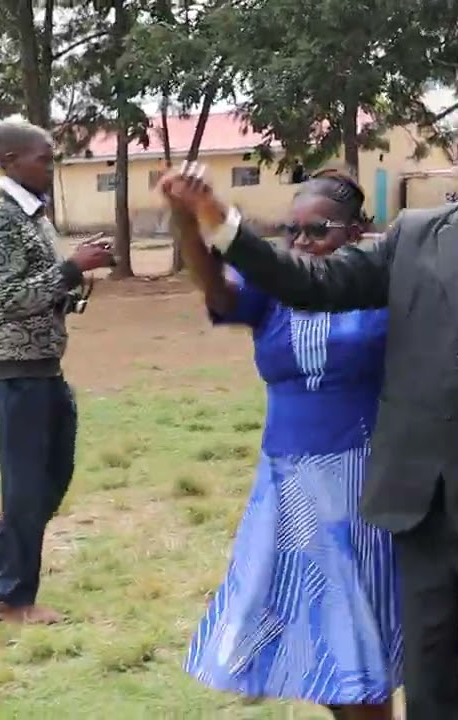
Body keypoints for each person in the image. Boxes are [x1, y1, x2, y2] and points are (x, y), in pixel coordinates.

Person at [161, 91, 458, 720]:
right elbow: (308, 282)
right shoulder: (414, 238)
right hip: (419, 508)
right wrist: (221, 222)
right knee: (431, 688)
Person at [175, 172, 401, 720]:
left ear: (355, 233)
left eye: (318, 230)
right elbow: (216, 290)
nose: (301, 241)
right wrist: (186, 217)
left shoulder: (379, 287)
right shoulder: (273, 287)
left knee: (357, 639)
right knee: (315, 634)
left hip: (360, 485)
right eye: (290, 231)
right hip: (287, 486)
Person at [0, 122, 114, 625]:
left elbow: (38, 290)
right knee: (25, 486)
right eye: (43, 158)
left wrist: (73, 285)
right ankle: (13, 598)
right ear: (11, 161)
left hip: (43, 365)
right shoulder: (0, 221)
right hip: (14, 367)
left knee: (53, 475)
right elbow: (7, 298)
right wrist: (72, 267)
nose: (51, 166)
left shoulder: (34, 218)